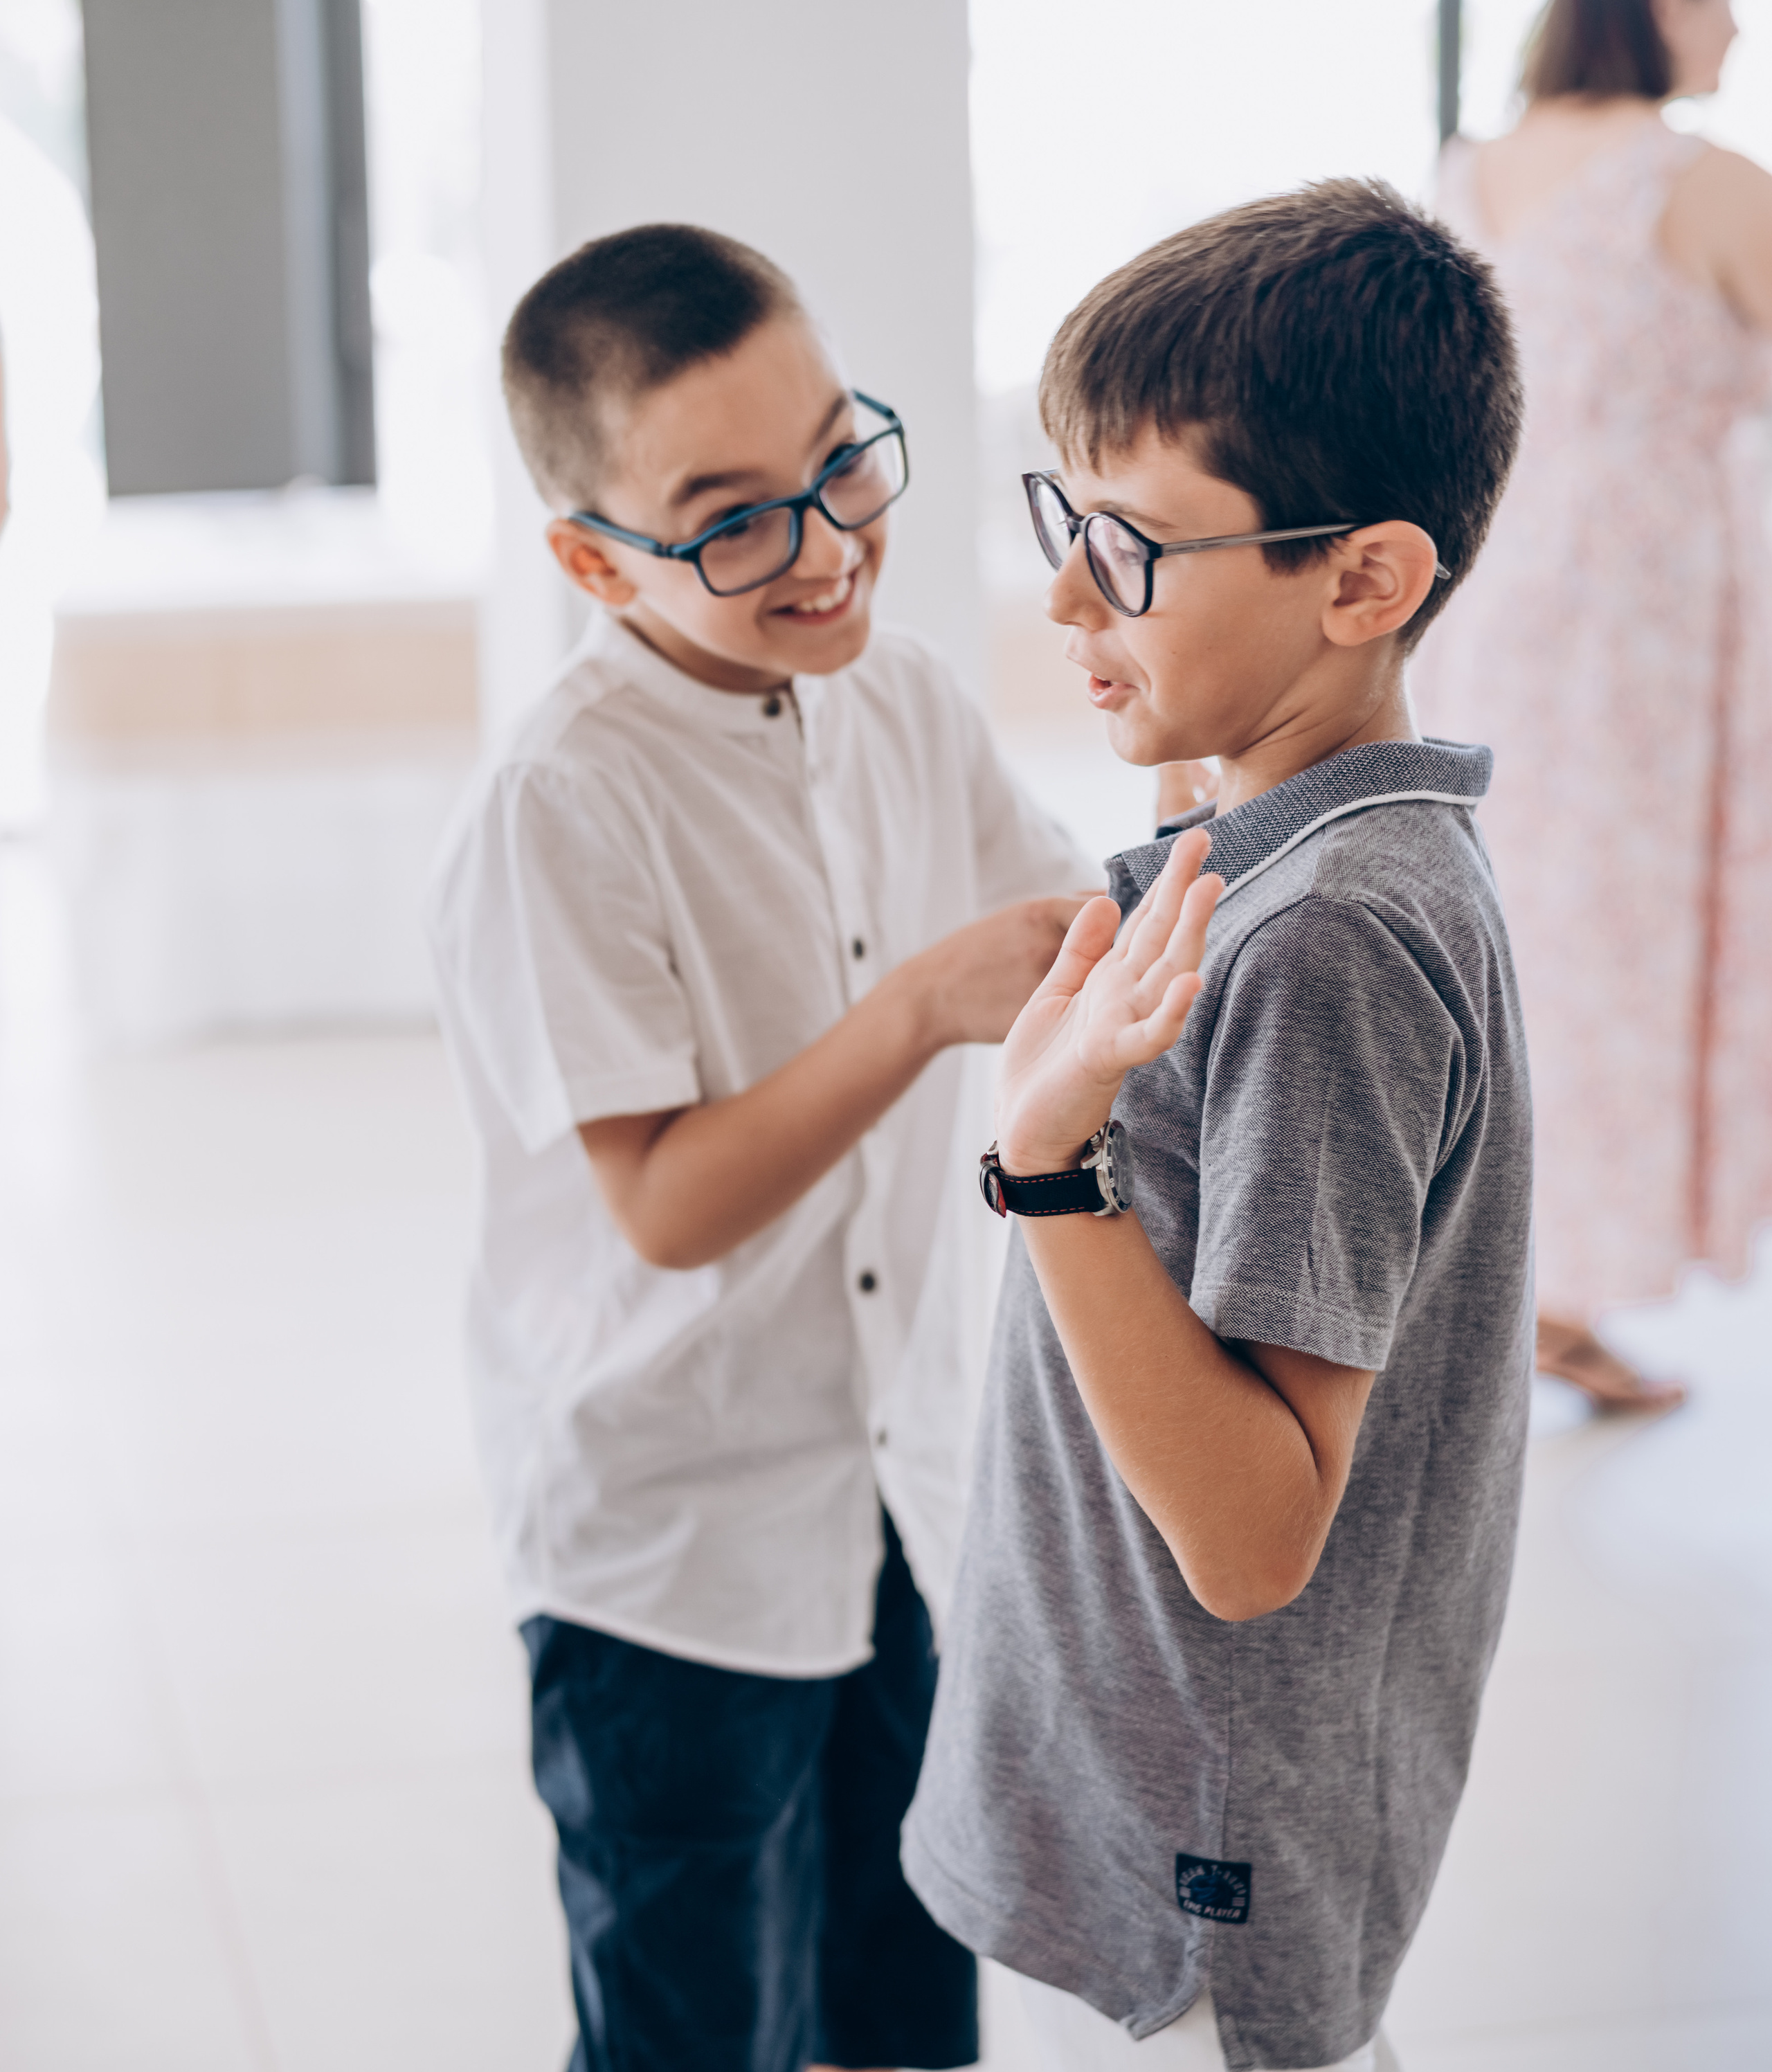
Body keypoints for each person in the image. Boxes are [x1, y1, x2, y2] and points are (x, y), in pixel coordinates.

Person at [425, 224, 1094, 2072]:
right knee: (696, 2025)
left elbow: (1067, 918)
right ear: (591, 559)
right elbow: (665, 1202)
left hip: (897, 1496)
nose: (822, 544)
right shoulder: (562, 802)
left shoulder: (904, 696)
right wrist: (919, 1008)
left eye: (838, 460)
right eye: (731, 520)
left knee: (903, 2001)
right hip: (671, 1559)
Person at [901, 180, 1529, 2071]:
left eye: (1133, 550)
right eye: (1066, 520)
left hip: (1202, 1854)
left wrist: (1046, 1163)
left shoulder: (1334, 938)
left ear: (1365, 585)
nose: (1066, 597)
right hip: (1154, 1791)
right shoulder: (1294, 852)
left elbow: (1255, 1538)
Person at [1411, 0, 1772, 1408]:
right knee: (1624, 946)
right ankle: (1552, 1286)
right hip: (1646, 629)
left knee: (1523, 929)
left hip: (1488, 598)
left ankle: (1516, 1276)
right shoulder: (1699, 183)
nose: (1736, 26)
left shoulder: (1471, 172)